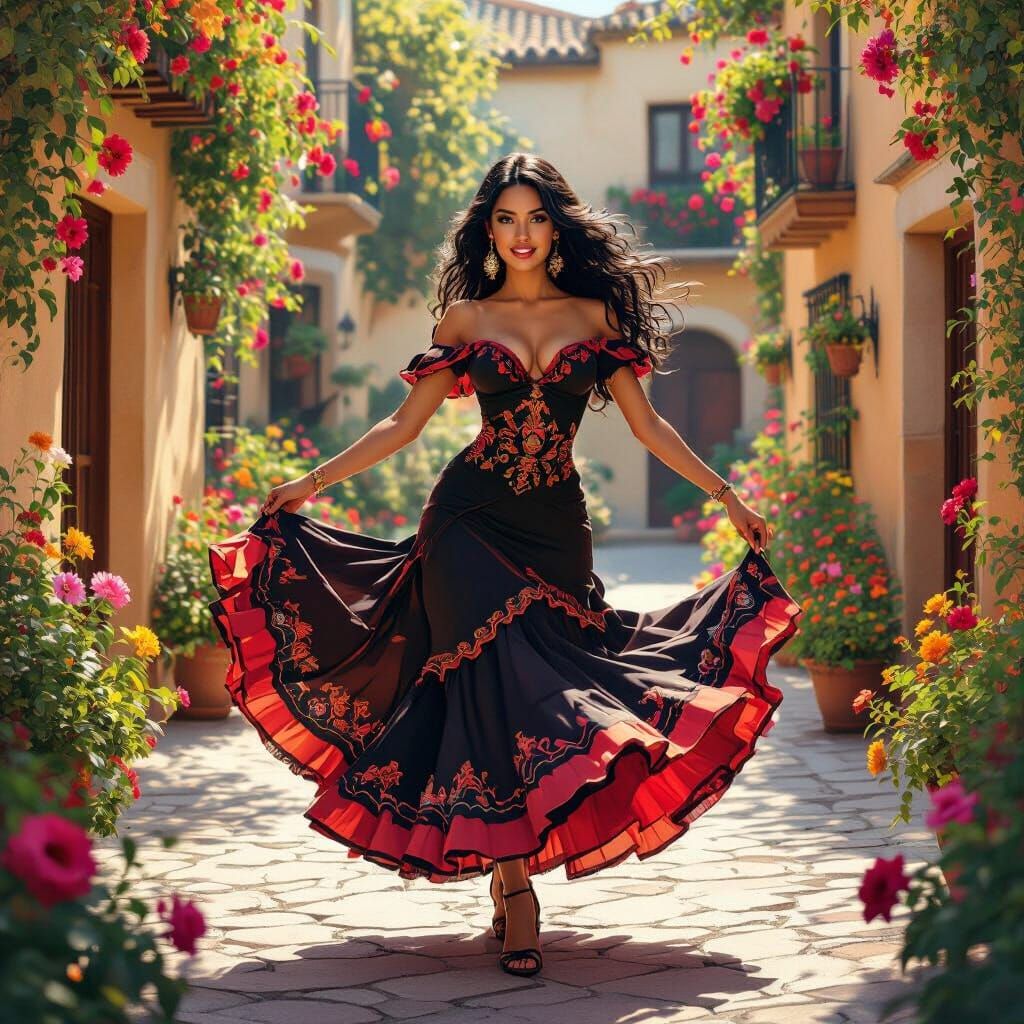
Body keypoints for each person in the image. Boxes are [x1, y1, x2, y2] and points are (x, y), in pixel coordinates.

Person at [208, 153, 803, 979]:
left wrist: (726, 492)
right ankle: (515, 885)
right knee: (487, 686)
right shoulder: (463, 318)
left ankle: (507, 870)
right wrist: (309, 483)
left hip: (556, 529)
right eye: (505, 220)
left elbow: (649, 429)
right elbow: (403, 425)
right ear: (488, 231)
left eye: (535, 219)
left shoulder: (593, 315)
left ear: (556, 228)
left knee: (547, 692)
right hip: (464, 523)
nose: (521, 235)